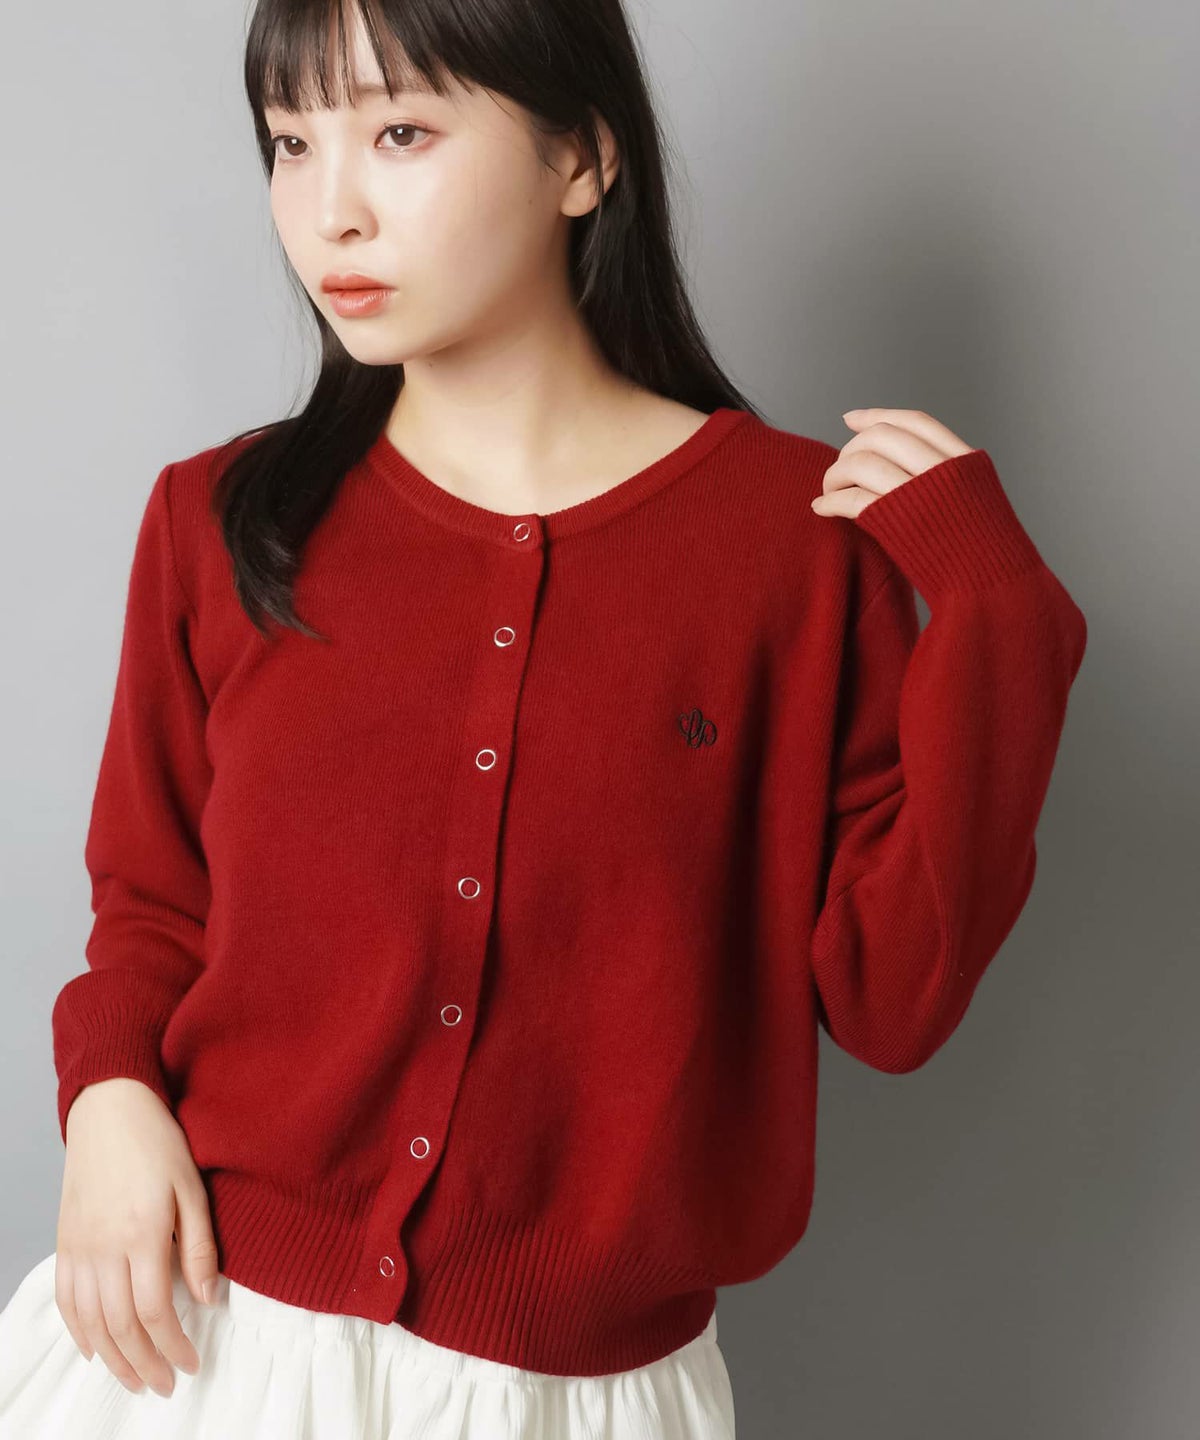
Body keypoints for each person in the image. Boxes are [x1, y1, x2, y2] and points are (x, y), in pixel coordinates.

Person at [0, 0, 1088, 1434]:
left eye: (400, 133)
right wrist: (106, 1103)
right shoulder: (224, 519)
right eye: (290, 144)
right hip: (200, 1347)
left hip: (573, 1399)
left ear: (582, 157)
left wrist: (1005, 625)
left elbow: (892, 997)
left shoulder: (795, 550)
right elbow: (151, 907)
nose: (330, 211)